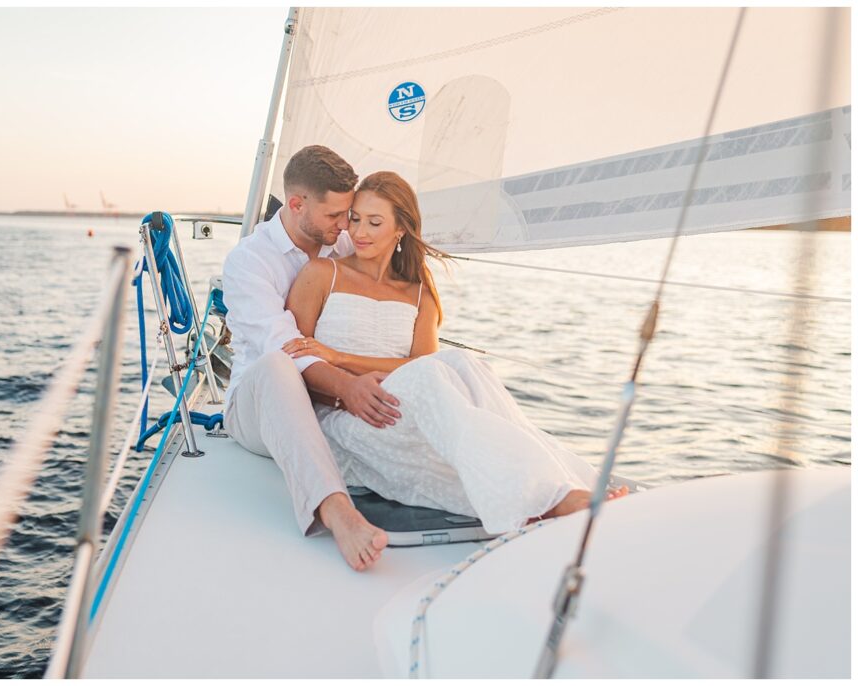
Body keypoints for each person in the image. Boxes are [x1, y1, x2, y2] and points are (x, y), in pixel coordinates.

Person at [282, 171, 628, 533]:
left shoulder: (418, 293)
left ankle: (571, 486)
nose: (359, 232)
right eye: (355, 219)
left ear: (400, 229)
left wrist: (342, 357)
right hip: (347, 422)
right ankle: (559, 497)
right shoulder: (322, 273)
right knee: (442, 370)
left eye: (374, 222)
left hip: (405, 412)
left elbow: (424, 367)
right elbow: (296, 363)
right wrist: (341, 377)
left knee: (462, 364)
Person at [221, 146, 396, 572]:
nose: (346, 227)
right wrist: (349, 388)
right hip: (256, 406)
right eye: (336, 216)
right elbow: (283, 346)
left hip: (327, 401)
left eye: (349, 214)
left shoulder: (344, 243)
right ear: (297, 205)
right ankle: (337, 512)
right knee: (278, 364)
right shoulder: (249, 262)